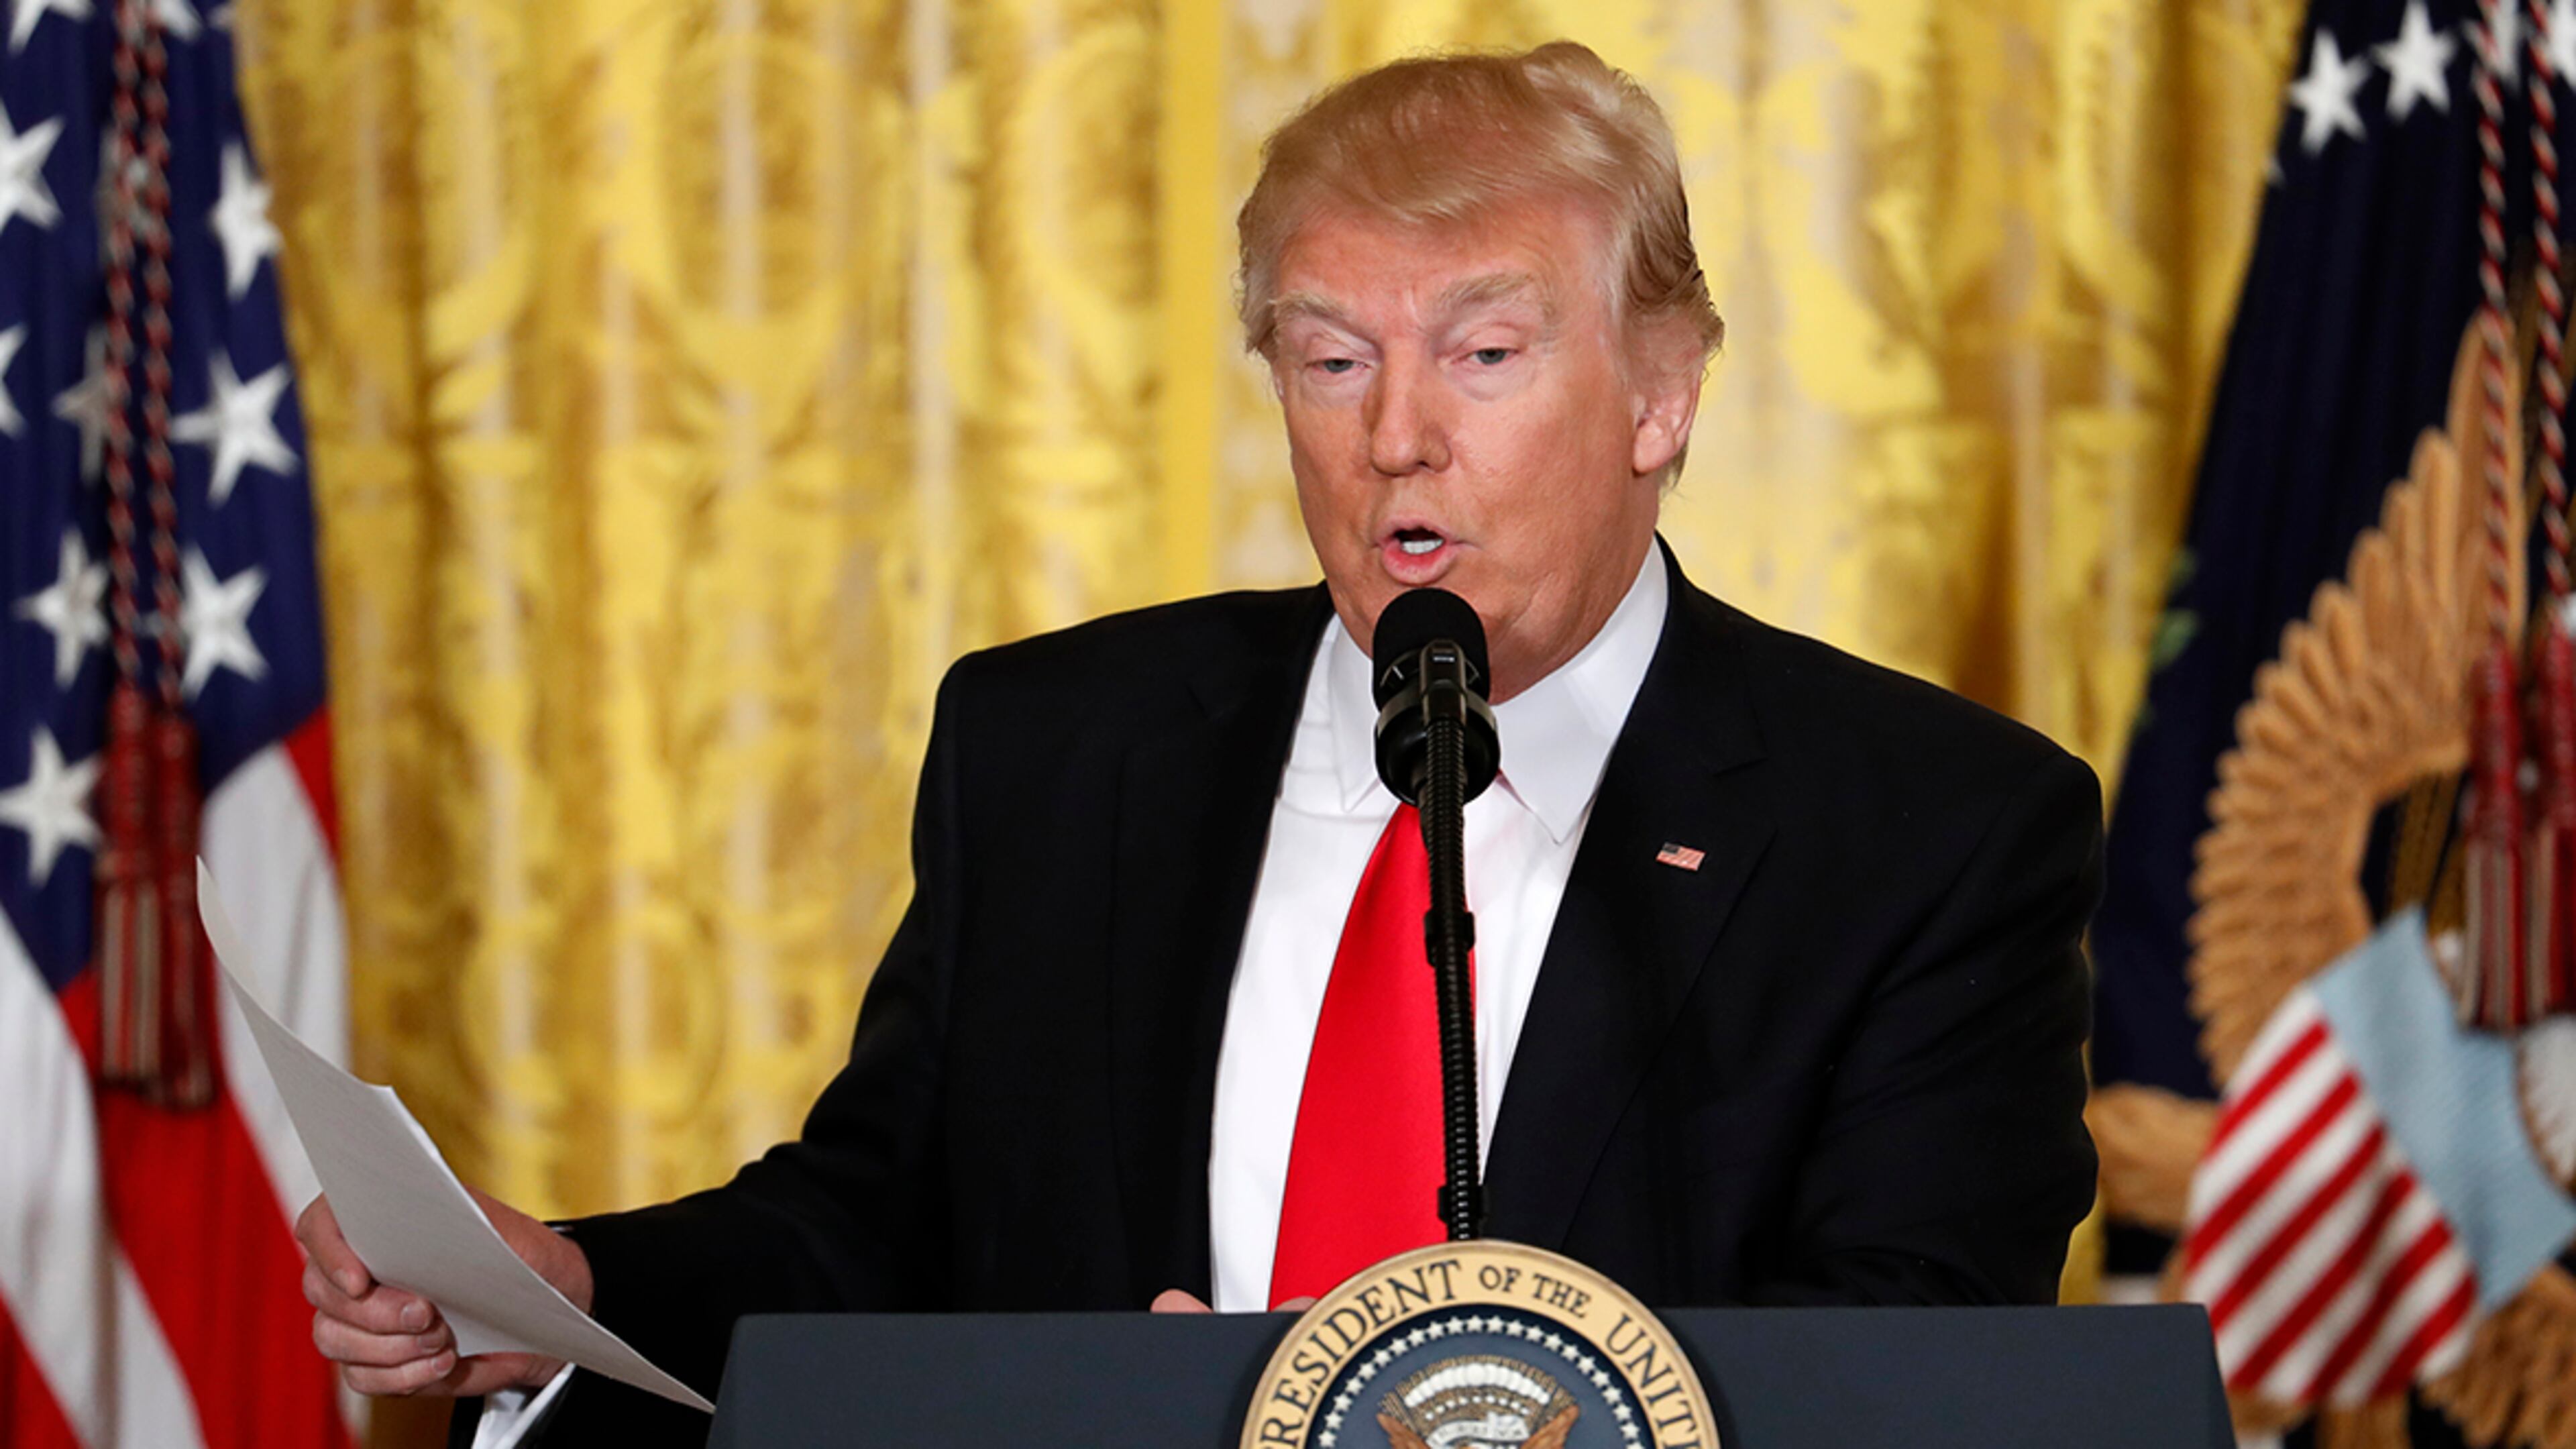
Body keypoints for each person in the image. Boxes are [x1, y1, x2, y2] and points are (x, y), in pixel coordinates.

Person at [296, 41, 2103, 1444]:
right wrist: (569, 1285)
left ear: (1663, 391)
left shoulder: (1931, 830)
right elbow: (882, 1224)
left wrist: (1392, 1418)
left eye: (1483, 354)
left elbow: (1902, 1367)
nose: (1396, 436)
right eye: (1328, 361)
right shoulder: (1060, 752)